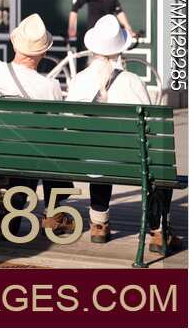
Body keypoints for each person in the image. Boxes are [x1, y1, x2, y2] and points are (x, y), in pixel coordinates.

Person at [67, 14, 182, 251]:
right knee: (158, 161)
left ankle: (99, 224)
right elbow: (150, 128)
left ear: (93, 48)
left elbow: (69, 126)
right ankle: (159, 232)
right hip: (129, 163)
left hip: (84, 162)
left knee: (99, 154)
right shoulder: (132, 80)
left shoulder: (79, 80)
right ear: (120, 49)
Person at [0, 13, 73, 233]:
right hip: (28, 157)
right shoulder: (50, 86)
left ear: (15, 44)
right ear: (44, 52)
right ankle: (54, 211)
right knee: (54, 146)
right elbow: (57, 131)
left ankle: (3, 199)